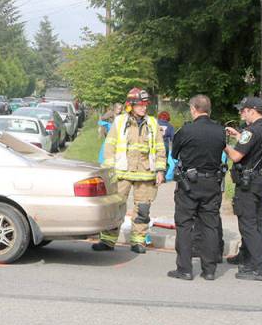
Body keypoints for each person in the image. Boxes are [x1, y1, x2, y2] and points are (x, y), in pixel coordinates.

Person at [93, 88, 167, 254]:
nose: (143, 108)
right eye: (140, 105)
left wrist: (160, 170)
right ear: (130, 106)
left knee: (143, 209)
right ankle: (107, 240)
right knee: (115, 207)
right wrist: (110, 168)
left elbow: (161, 149)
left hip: (146, 174)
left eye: (145, 105)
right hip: (122, 173)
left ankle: (138, 242)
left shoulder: (153, 123)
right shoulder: (119, 122)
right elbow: (110, 145)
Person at [167, 95, 226, 281]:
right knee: (210, 225)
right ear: (209, 109)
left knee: (185, 225)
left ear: (194, 109)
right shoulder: (220, 131)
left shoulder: (186, 130)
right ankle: (209, 270)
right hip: (212, 183)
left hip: (189, 184)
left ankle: (184, 269)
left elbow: (174, 153)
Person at [224, 97, 262, 281]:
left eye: (243, 110)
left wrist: (224, 144)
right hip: (261, 180)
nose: (241, 113)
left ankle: (260, 269)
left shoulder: (251, 131)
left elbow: (237, 156)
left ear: (252, 111)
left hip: (248, 183)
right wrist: (239, 137)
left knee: (248, 224)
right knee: (259, 222)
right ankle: (246, 257)